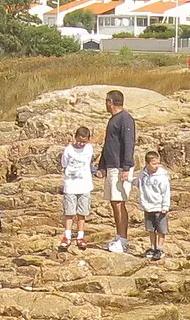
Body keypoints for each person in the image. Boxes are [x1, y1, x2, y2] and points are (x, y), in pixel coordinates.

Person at [100, 90, 138, 253]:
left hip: (120, 166)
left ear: (110, 102)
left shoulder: (125, 119)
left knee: (119, 201)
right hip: (111, 166)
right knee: (113, 202)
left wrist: (126, 167)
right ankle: (118, 236)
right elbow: (108, 143)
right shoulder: (113, 119)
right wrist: (102, 165)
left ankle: (123, 240)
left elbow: (129, 143)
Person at [60, 125, 96, 251]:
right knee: (69, 212)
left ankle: (80, 236)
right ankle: (67, 235)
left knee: (82, 213)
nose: (81, 144)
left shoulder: (89, 149)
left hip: (84, 186)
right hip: (70, 185)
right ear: (75, 137)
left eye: (84, 141)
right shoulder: (68, 150)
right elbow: (64, 164)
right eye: (79, 140)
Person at [133, 149, 171, 262]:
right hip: (148, 206)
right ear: (147, 164)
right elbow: (137, 183)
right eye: (153, 164)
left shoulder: (162, 176)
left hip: (159, 207)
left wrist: (165, 206)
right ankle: (153, 247)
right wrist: (128, 180)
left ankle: (160, 248)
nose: (156, 166)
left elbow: (166, 192)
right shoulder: (143, 174)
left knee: (161, 229)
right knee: (151, 229)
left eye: (158, 163)